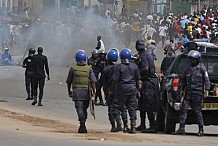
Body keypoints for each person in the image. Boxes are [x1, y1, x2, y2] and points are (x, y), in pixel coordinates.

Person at [174, 50, 210, 136]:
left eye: (193, 59)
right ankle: (181, 129)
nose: (192, 61)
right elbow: (183, 81)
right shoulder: (188, 69)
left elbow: (206, 80)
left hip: (198, 93)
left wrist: (206, 90)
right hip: (188, 93)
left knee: (197, 111)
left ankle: (201, 130)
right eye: (191, 59)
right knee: (183, 110)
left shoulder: (202, 68)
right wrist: (181, 92)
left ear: (198, 59)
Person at [66, 50, 97, 133]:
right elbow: (93, 81)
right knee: (84, 109)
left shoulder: (73, 69)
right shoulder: (89, 69)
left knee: (79, 109)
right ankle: (82, 124)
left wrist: (69, 90)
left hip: (77, 92)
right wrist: (94, 92)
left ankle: (82, 124)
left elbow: (68, 81)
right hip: (86, 92)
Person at [112, 48, 141, 134]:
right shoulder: (134, 66)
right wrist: (138, 89)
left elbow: (115, 80)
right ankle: (133, 127)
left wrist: (111, 90)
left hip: (121, 89)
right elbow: (138, 80)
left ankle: (119, 125)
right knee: (132, 108)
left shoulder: (118, 66)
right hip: (132, 89)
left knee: (117, 107)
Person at [135, 40, 158, 133]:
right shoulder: (147, 54)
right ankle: (143, 124)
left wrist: (137, 74)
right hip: (149, 81)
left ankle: (152, 126)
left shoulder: (143, 55)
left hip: (148, 81)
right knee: (142, 104)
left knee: (147, 105)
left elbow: (145, 68)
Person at [102, 48, 123, 132]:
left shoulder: (105, 69)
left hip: (110, 91)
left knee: (111, 109)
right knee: (119, 108)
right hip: (119, 90)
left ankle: (113, 125)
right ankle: (120, 124)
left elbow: (104, 83)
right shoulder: (119, 67)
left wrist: (106, 93)